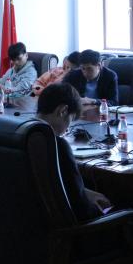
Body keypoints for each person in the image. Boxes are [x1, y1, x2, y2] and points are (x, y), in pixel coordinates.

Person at [35, 84, 111, 221]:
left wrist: (84, 191)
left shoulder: (22, 133)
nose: (67, 129)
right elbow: (82, 209)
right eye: (71, 119)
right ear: (63, 111)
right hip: (70, 228)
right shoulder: (56, 145)